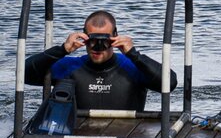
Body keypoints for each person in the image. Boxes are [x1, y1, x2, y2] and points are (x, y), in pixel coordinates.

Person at [24, 10, 178, 111]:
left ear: (114, 37)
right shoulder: (70, 66)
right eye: (92, 40)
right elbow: (24, 74)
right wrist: (62, 50)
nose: (98, 47)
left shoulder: (132, 66)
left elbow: (170, 83)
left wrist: (134, 55)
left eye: (104, 40)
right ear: (83, 37)